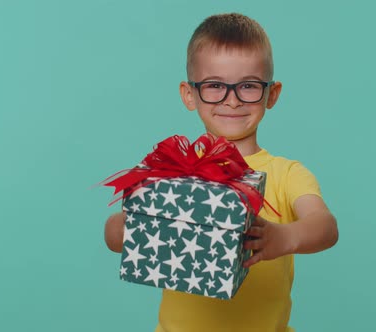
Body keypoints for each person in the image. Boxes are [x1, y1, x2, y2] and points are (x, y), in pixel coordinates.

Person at [104, 13, 339, 332]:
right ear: (190, 94)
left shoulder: (287, 173)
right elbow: (114, 234)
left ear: (271, 94)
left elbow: (325, 227)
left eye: (248, 86)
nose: (232, 100)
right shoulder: (174, 170)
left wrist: (283, 237)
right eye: (215, 86)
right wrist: (137, 230)